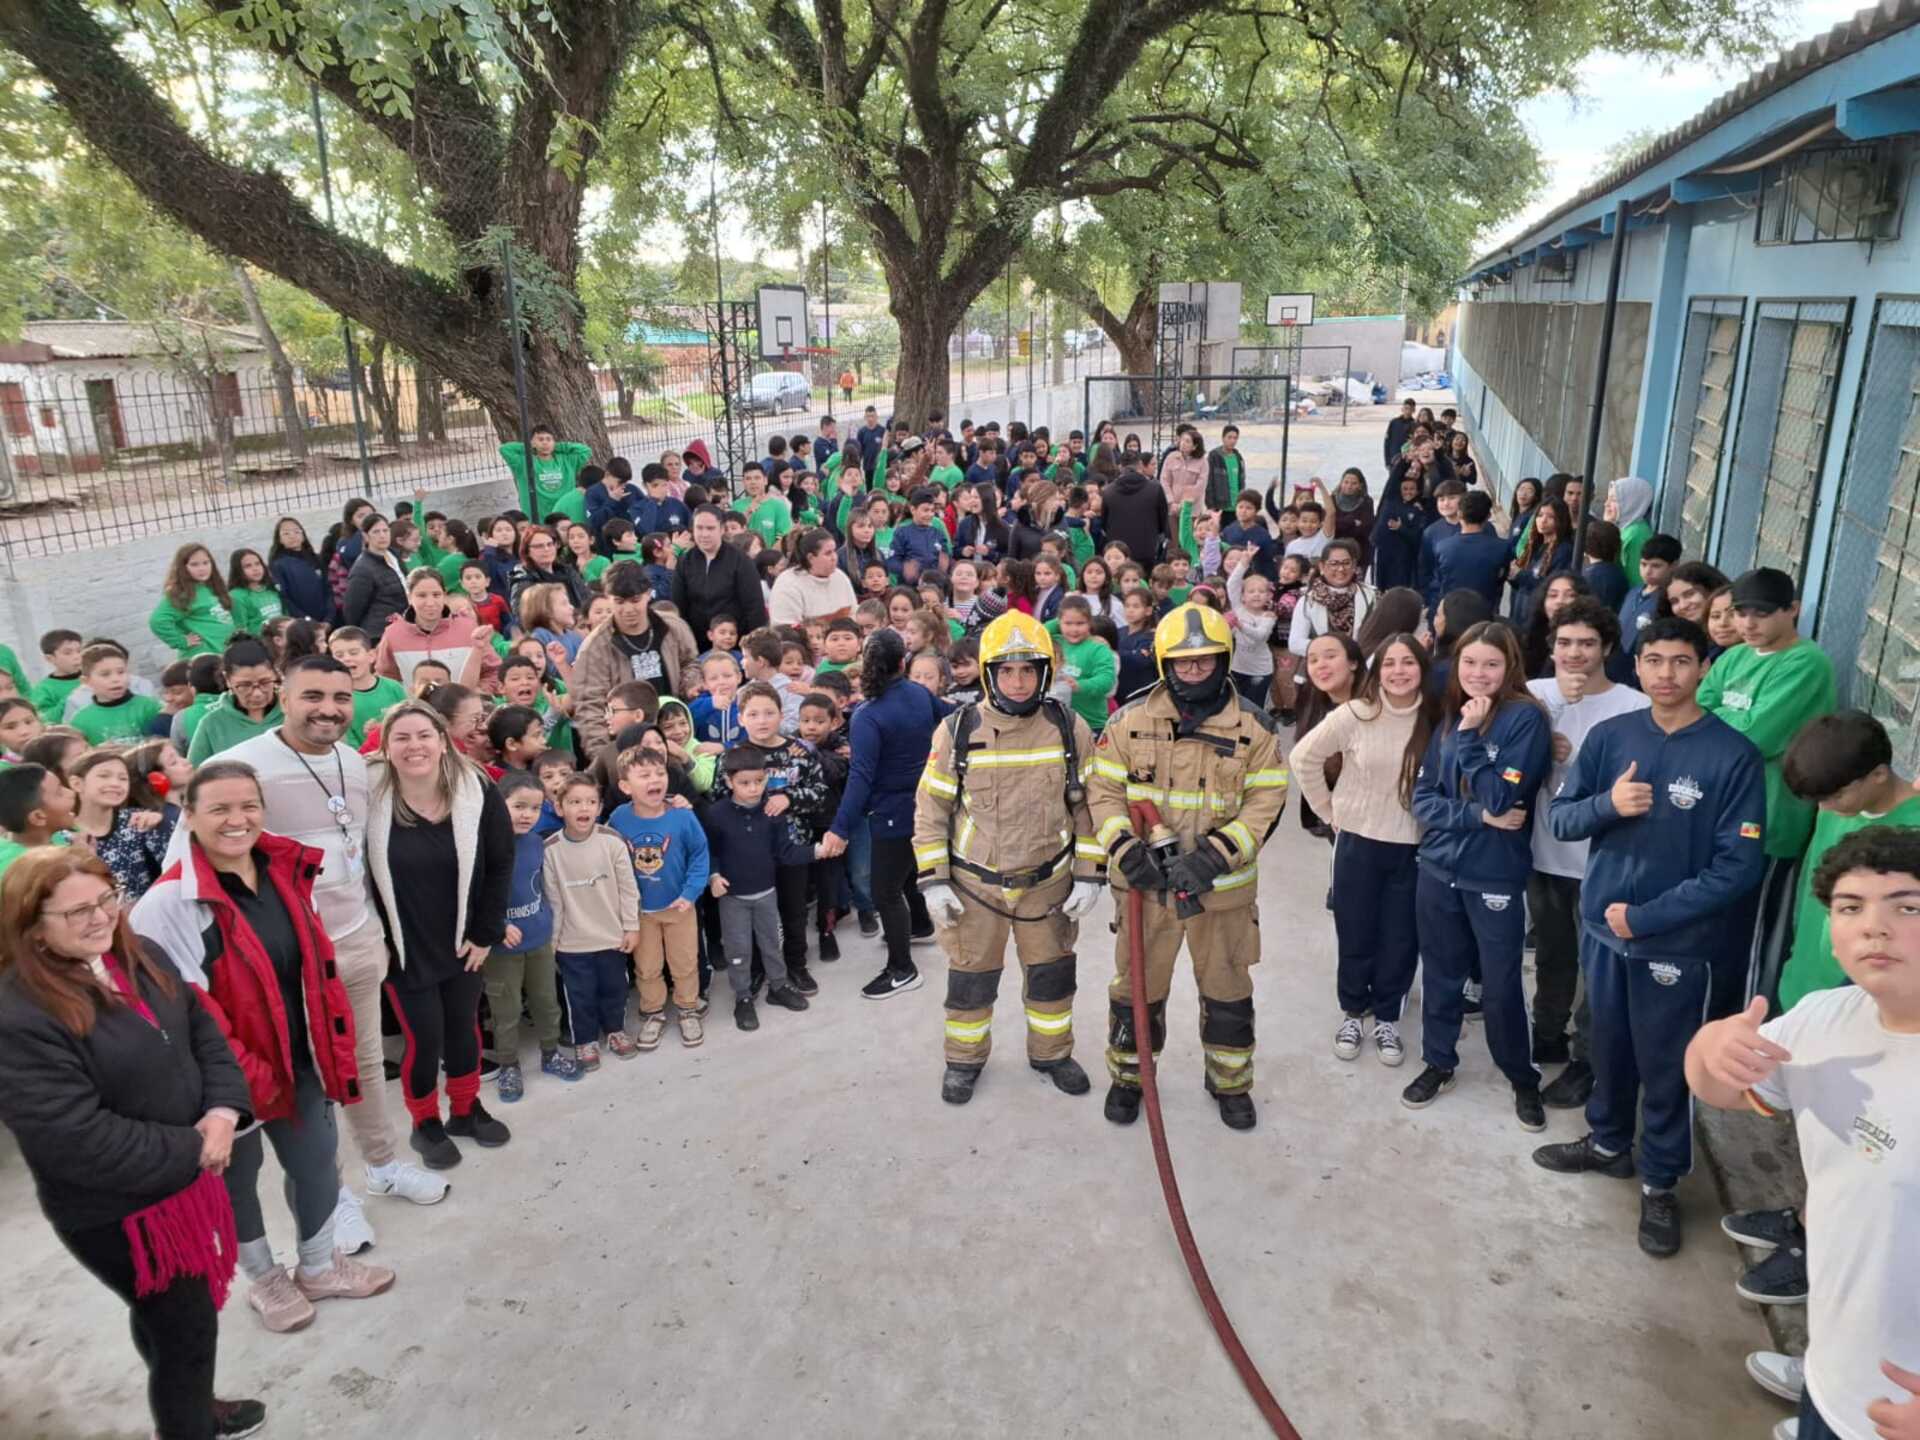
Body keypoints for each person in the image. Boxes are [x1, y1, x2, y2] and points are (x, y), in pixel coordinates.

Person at [0, 848, 266, 1440]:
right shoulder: (18, 1015)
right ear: (31, 926)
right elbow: (74, 1138)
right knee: (187, 1329)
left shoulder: (137, 951)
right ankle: (189, 1424)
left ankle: (192, 1404)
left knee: (169, 1321)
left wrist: (223, 1112)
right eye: (76, 913)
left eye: (105, 899)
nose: (100, 918)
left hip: (183, 1179)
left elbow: (203, 1031)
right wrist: (196, 1148)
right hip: (119, 1213)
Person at [130, 761, 395, 1334]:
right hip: (221, 1083)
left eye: (248, 805)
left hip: (300, 1060)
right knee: (235, 1182)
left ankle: (320, 1266)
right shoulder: (167, 906)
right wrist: (239, 1084)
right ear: (190, 817)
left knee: (317, 1163)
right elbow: (185, 1015)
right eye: (219, 809)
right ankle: (264, 1278)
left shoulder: (285, 871)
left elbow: (314, 971)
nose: (237, 819)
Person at [1537, 617, 1766, 1257]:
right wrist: (1609, 804)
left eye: (1681, 662)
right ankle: (1608, 1143)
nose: (1666, 674)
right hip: (1604, 935)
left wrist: (1647, 917)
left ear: (1703, 670)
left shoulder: (1732, 756)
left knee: (1666, 1063)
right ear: (1637, 667)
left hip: (1677, 946)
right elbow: (1561, 815)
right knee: (1605, 1044)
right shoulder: (1612, 737)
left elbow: (1738, 867)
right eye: (1654, 661)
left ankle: (1660, 1182)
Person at [1685, 826, 1920, 1440]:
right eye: (1850, 907)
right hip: (1834, 1377)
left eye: (1908, 906)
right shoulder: (1824, 1018)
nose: (1874, 925)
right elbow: (1720, 1091)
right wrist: (1708, 1047)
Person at [223, 658, 451, 1233]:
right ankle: (333, 1194)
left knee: (366, 1065)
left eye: (341, 697)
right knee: (308, 1077)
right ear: (283, 696)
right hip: (290, 960)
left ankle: (382, 1165)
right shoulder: (241, 766)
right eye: (313, 696)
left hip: (356, 944)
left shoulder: (353, 763)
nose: (329, 708)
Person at [1088, 603, 1289, 1131]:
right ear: (1164, 664)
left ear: (1223, 662)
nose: (1193, 671)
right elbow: (1102, 791)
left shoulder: (1255, 728)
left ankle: (1229, 1083)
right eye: (1183, 662)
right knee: (1137, 989)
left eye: (1204, 661)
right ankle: (1130, 1078)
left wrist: (1215, 857)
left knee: (1227, 992)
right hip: (1144, 891)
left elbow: (1266, 802)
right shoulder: (1128, 721)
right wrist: (1125, 850)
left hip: (1222, 893)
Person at [913, 612, 1103, 1104]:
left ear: (1044, 673)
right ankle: (964, 1061)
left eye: (1028, 670)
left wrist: (1090, 876)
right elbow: (931, 808)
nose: (1018, 682)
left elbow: (1090, 806)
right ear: (988, 673)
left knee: (1052, 979)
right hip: (977, 889)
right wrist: (934, 881)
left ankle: (1052, 1053)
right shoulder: (956, 731)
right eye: (1006, 670)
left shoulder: (1069, 727)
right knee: (971, 984)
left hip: (1049, 885)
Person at [1403, 621, 1551, 1129]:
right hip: (1438, 867)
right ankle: (1438, 1061)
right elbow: (1422, 798)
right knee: (1441, 973)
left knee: (1501, 984)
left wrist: (1470, 742)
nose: (1479, 673)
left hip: (1495, 875)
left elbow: (1501, 797)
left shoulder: (1525, 720)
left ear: (1510, 666)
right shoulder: (1450, 716)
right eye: (1469, 663)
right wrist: (1475, 816)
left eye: (1491, 663)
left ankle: (1521, 1076)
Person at [365, 701, 514, 1170]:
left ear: (442, 740)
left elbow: (500, 862)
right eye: (402, 738)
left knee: (464, 1029)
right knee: (424, 1040)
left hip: (463, 940)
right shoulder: (368, 794)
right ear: (386, 748)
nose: (415, 747)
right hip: (405, 948)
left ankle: (466, 1110)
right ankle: (424, 1122)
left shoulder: (475, 788)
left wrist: (486, 931)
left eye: (424, 736)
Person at [1523, 600, 1650, 1113]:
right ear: (1552, 647)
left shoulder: (1633, 706)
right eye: (1566, 643)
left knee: (1600, 967)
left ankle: (1587, 1060)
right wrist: (1546, 725)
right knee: (1552, 954)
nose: (1575, 654)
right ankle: (1546, 1031)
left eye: (1588, 644)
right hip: (1542, 851)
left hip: (1604, 859)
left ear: (1608, 649)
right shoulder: (1533, 694)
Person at [1289, 633, 1436, 1067]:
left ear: (1422, 668)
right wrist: (1328, 808)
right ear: (1376, 669)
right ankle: (1353, 1012)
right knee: (1355, 932)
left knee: (1401, 937)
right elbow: (1303, 758)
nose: (1398, 672)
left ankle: (1388, 1017)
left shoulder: (1435, 716)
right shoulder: (1357, 713)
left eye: (1408, 662)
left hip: (1412, 846)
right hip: (1357, 842)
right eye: (1389, 663)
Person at [1699, 567, 1837, 1013]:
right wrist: (1719, 721)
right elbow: (1693, 712)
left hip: (1770, 825)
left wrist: (1717, 721)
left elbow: (1756, 736)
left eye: (1762, 613)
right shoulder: (1734, 658)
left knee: (1754, 940)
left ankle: (1746, 1029)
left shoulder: (1806, 663)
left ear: (1792, 610)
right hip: (1719, 815)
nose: (1748, 624)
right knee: (1717, 933)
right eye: (1741, 613)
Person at [818, 629, 947, 999]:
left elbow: (860, 777)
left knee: (885, 890)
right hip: (926, 806)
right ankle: (920, 925)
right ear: (902, 664)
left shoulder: (867, 716)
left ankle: (902, 969)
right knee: (905, 872)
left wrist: (840, 828)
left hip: (892, 814)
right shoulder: (919, 694)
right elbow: (950, 718)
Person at [1777, 712, 1920, 1013]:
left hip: (1861, 1004)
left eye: (1835, 796)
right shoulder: (1835, 809)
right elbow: (1809, 890)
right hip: (1801, 986)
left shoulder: (1912, 830)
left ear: (1879, 774)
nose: (1825, 806)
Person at [702, 746, 819, 1029]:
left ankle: (778, 987)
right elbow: (709, 853)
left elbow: (785, 852)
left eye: (759, 781)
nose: (753, 788)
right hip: (733, 898)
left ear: (766, 777)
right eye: (744, 783)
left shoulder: (772, 811)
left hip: (767, 893)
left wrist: (817, 851)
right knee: (738, 948)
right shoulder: (716, 814)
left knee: (771, 943)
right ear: (729, 781)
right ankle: (743, 998)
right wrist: (714, 876)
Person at [485, 772, 580, 1099]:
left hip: (538, 939)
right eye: (519, 806)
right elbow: (471, 895)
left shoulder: (536, 842)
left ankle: (551, 1052)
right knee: (506, 1010)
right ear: (499, 805)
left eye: (535, 808)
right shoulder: (484, 846)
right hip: (501, 948)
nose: (527, 814)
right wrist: (496, 925)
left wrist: (550, 926)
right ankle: (509, 1064)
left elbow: (542, 885)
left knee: (546, 1001)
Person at [607, 747, 709, 1047]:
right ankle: (653, 1011)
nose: (655, 779)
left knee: (685, 961)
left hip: (679, 906)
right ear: (625, 786)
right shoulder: (618, 818)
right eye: (644, 775)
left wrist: (690, 893)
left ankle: (688, 1007)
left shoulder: (682, 816)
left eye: (660, 773)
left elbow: (700, 855)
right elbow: (611, 860)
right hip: (640, 912)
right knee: (647, 966)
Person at [541, 772, 642, 1066]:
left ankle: (615, 1031)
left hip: (611, 936)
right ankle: (585, 1040)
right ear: (559, 808)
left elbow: (628, 888)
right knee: (579, 996)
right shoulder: (550, 850)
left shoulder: (612, 841)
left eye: (590, 802)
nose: (583, 809)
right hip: (573, 943)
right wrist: (554, 944)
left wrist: (631, 927)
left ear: (600, 808)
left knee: (615, 989)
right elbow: (554, 901)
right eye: (574, 802)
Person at [572, 563, 699, 752]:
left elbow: (691, 662)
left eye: (635, 600)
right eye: (620, 602)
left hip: (676, 733)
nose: (628, 609)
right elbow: (590, 707)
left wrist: (689, 684)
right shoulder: (594, 648)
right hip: (628, 745)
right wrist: (604, 756)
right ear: (608, 599)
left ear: (648, 594)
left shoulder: (673, 627)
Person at [674, 505, 770, 648]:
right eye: (699, 528)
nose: (704, 534)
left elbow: (754, 607)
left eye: (710, 528)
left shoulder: (740, 560)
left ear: (722, 529)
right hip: (698, 643)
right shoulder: (685, 561)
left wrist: (753, 646)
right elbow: (679, 605)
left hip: (735, 642)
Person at [185, 639, 282, 765]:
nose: (257, 693)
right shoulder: (212, 725)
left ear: (275, 674)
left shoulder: (292, 711)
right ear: (227, 680)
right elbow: (195, 773)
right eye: (245, 685)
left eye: (265, 682)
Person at [1287, 539, 1376, 655]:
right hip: (1322, 666)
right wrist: (1333, 651)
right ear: (1322, 567)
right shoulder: (1307, 600)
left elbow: (1378, 638)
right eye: (1334, 564)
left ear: (1354, 565)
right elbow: (1295, 643)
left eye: (1346, 563)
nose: (1341, 569)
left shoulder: (1371, 596)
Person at [150, 543, 237, 660]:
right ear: (183, 567)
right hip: (203, 657)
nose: (202, 568)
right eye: (194, 564)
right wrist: (181, 641)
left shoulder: (211, 587)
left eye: (206, 563)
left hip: (223, 655)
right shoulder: (182, 593)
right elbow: (158, 621)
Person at [1433, 490, 1510, 612]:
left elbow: (1438, 581)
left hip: (1452, 613)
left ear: (1459, 514)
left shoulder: (1443, 547)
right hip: (1485, 614)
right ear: (1488, 516)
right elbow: (1504, 577)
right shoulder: (1503, 548)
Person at [499, 423, 593, 520]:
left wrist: (557, 446)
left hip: (565, 518)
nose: (545, 442)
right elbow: (505, 449)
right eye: (540, 439)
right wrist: (529, 446)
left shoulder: (568, 461)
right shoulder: (524, 462)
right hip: (538, 521)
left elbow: (586, 451)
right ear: (532, 443)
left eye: (548, 439)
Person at [769, 528, 857, 627]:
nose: (834, 557)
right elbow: (785, 628)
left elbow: (854, 613)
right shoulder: (787, 583)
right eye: (828, 553)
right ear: (810, 558)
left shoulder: (840, 577)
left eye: (834, 551)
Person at [340, 513, 409, 641]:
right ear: (366, 536)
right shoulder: (362, 569)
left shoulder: (394, 555)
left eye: (385, 530)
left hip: (403, 626)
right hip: (379, 634)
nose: (382, 535)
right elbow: (352, 610)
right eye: (376, 532)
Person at [1101, 450, 1171, 568]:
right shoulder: (1155, 488)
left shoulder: (1108, 491)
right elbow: (1163, 522)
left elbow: (1104, 524)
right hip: (1146, 549)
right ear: (1140, 465)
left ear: (1120, 466)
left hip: (1118, 553)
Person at [1369, 468, 1430, 592]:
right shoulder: (1390, 501)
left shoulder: (1418, 510)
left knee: (1399, 588)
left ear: (1418, 491)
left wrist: (1400, 528)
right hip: (1383, 552)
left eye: (1412, 489)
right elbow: (1392, 481)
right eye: (1405, 489)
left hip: (1402, 557)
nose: (1408, 492)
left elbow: (1417, 537)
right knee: (1379, 587)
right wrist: (1404, 462)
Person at [1605, 476, 1656, 582]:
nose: (1606, 504)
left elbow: (1635, 580)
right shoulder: (1624, 528)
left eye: (1614, 500)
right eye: (1608, 498)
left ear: (1631, 503)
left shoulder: (1636, 535)